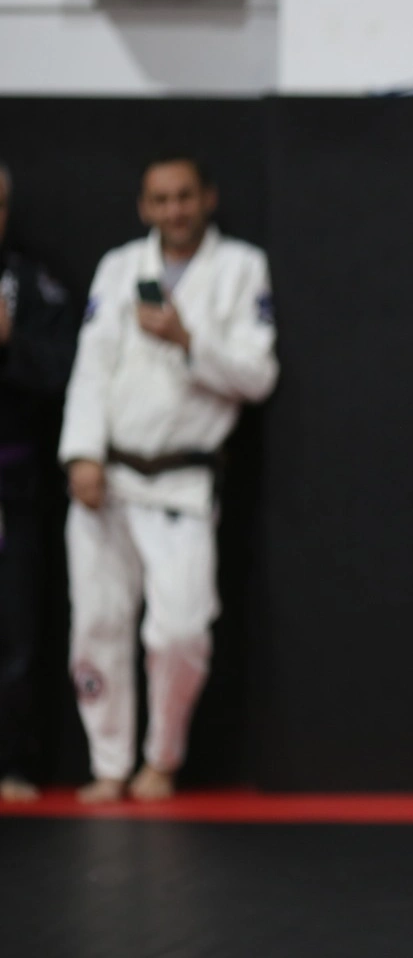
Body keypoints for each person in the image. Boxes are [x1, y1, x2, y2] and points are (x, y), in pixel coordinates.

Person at [59, 153, 278, 803]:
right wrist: (81, 453)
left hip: (183, 481)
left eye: (184, 196)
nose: (173, 210)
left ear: (208, 197)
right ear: (143, 206)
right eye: (160, 199)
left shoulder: (240, 267)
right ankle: (108, 763)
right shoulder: (120, 266)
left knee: (180, 632)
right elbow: (91, 366)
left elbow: (258, 376)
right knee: (96, 625)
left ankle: (162, 756)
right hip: (108, 476)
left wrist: (189, 340)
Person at [0, 163, 78, 802]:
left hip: (14, 481)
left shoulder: (33, 285)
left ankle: (13, 763)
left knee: (17, 630)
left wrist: (10, 342)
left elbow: (62, 372)